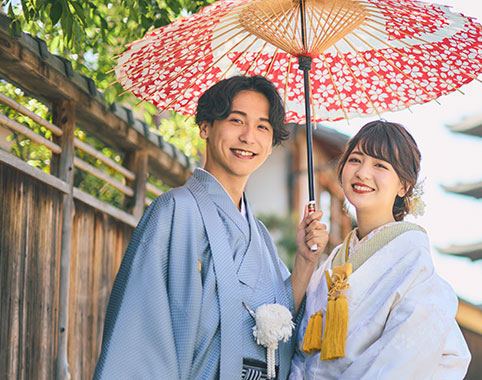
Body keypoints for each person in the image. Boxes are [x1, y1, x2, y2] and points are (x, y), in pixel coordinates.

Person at [93, 75, 329, 380]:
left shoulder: (259, 234)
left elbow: (280, 323)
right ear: (205, 126)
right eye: (236, 120)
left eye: (262, 127)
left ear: (271, 144)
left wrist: (306, 260)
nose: (248, 137)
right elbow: (140, 331)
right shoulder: (175, 211)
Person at [290, 120, 471, 380]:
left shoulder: (413, 264)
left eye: (380, 165)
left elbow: (402, 362)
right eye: (355, 160)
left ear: (404, 186)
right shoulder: (330, 264)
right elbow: (299, 349)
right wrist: (306, 260)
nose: (363, 173)